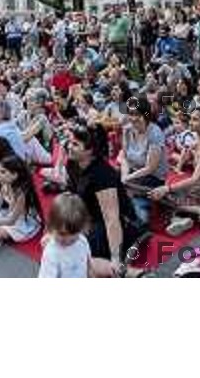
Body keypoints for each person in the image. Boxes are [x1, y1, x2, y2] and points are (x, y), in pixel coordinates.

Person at [66, 122, 144, 265]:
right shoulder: (72, 163)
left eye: (75, 144)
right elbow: (74, 197)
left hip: (118, 223)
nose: (69, 147)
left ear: (90, 151)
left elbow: (112, 219)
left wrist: (115, 258)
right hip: (91, 217)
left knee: (79, 255)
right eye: (70, 142)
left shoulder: (103, 175)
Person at [150, 106, 200, 237]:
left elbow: (195, 178)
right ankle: (184, 218)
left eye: (195, 120)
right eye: (191, 119)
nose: (190, 122)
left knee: (164, 194)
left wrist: (167, 188)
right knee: (159, 193)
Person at [0, 155, 42, 257]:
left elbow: (12, 220)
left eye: (3, 172)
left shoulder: (21, 194)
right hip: (8, 214)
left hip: (20, 222)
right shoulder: (5, 185)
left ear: (14, 175)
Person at [119, 97, 169, 225]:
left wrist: (128, 178)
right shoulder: (127, 129)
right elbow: (124, 157)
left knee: (140, 217)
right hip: (132, 172)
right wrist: (125, 175)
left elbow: (150, 168)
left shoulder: (155, 133)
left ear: (145, 114)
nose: (133, 118)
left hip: (152, 177)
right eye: (131, 114)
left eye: (137, 114)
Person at [38, 193, 92, 278]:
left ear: (81, 229)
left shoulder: (82, 241)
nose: (67, 239)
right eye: (62, 234)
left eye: (73, 234)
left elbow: (88, 264)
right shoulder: (51, 253)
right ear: (51, 226)